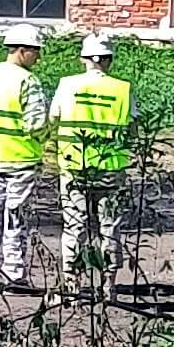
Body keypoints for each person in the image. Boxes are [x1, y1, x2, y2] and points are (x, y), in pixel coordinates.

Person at [51, 33, 135, 288]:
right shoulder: (123, 89)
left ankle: (73, 284)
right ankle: (108, 285)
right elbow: (133, 127)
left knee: (75, 224)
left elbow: (53, 118)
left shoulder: (67, 85)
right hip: (110, 168)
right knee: (109, 226)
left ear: (82, 59)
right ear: (109, 60)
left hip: (74, 166)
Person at [0, 23, 50, 291]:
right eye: (36, 51)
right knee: (15, 217)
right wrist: (46, 140)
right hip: (22, 159)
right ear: (22, 50)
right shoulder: (28, 81)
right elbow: (37, 124)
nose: (38, 57)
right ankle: (14, 275)